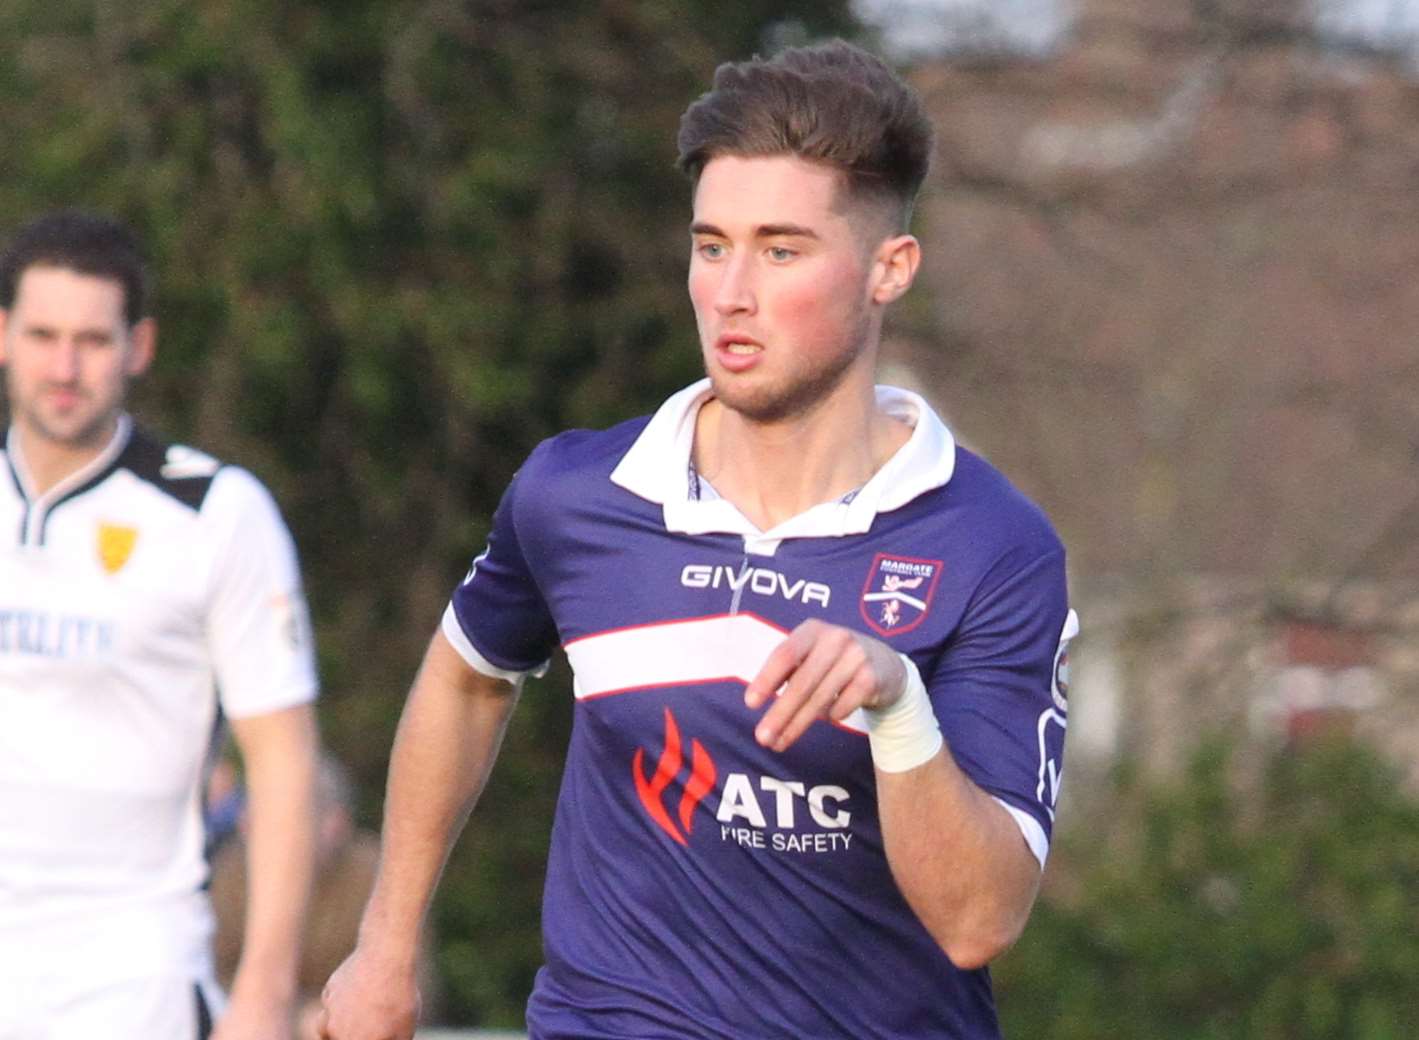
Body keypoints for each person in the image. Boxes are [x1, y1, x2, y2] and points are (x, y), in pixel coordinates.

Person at [321, 39, 1077, 1040]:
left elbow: (980, 916)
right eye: (711, 244)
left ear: (889, 269)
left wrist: (896, 705)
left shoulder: (993, 546)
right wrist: (383, 946)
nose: (730, 292)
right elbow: (468, 679)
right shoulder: (577, 494)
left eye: (781, 249)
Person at [0, 210, 320, 1040]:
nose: (63, 367)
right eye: (41, 335)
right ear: (3, 335)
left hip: (129, 982)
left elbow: (283, 761)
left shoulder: (216, 513)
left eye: (92, 340)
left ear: (137, 347)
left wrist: (265, 991)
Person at [209, 754, 441, 1040]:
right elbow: (209, 973)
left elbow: (410, 985)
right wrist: (293, 1015)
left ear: (337, 822)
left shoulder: (377, 878)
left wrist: (323, 1016)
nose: (250, 828)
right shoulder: (232, 873)